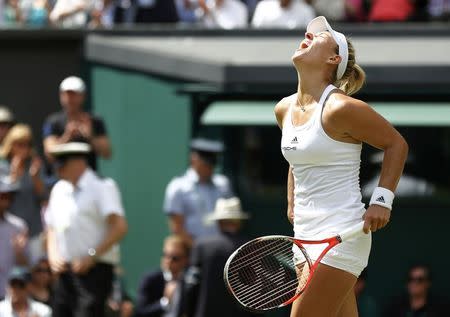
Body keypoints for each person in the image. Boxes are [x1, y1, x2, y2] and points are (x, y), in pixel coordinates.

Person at [274, 16, 408, 317]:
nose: (309, 34)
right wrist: (291, 200)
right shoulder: (284, 109)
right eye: (308, 33)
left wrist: (382, 200)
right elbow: (297, 158)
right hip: (304, 236)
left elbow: (396, 144)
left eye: (319, 36)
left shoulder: (341, 108)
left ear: (334, 58)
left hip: (341, 235)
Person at [45, 142, 128, 317]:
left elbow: (119, 227)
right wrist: (53, 254)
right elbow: (51, 227)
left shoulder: (102, 187)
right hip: (65, 274)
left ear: (78, 162)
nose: (58, 168)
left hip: (94, 272)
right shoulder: (59, 189)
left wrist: (91, 256)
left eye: (63, 162)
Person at [183, 197, 254, 317]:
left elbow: (190, 287)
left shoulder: (202, 247)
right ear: (239, 222)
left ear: (219, 222)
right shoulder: (251, 247)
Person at [163, 138, 233, 245]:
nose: (210, 168)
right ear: (194, 159)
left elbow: (231, 221)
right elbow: (176, 227)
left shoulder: (223, 184)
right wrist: (198, 250)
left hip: (219, 250)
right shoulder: (178, 187)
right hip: (192, 252)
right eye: (206, 163)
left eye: (213, 164)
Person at [43, 76, 112, 173]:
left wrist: (89, 136)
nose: (69, 98)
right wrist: (67, 137)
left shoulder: (95, 121)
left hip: (88, 179)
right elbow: (49, 154)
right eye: (66, 94)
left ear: (82, 96)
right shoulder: (53, 121)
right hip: (61, 178)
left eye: (74, 94)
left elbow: (107, 153)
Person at [0, 124, 47, 263]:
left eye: (27, 144)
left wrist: (36, 178)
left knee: (33, 271)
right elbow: (4, 196)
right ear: (11, 145)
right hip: (9, 231)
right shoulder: (2, 166)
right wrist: (13, 177)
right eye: (19, 144)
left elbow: (43, 198)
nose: (23, 149)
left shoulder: (35, 167)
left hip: (33, 230)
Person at [135, 235, 190, 317]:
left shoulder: (190, 281)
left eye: (175, 258)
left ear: (186, 259)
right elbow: (141, 312)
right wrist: (165, 301)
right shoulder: (151, 279)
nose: (168, 261)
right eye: (165, 255)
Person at [0, 178, 29, 300]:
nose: (5, 200)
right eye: (2, 196)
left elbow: (25, 266)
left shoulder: (18, 226)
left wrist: (19, 252)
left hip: (10, 296)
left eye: (8, 196)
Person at [384, 264, 450, 316]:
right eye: (410, 279)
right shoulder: (394, 309)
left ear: (428, 283)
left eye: (419, 280)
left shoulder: (440, 310)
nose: (414, 283)